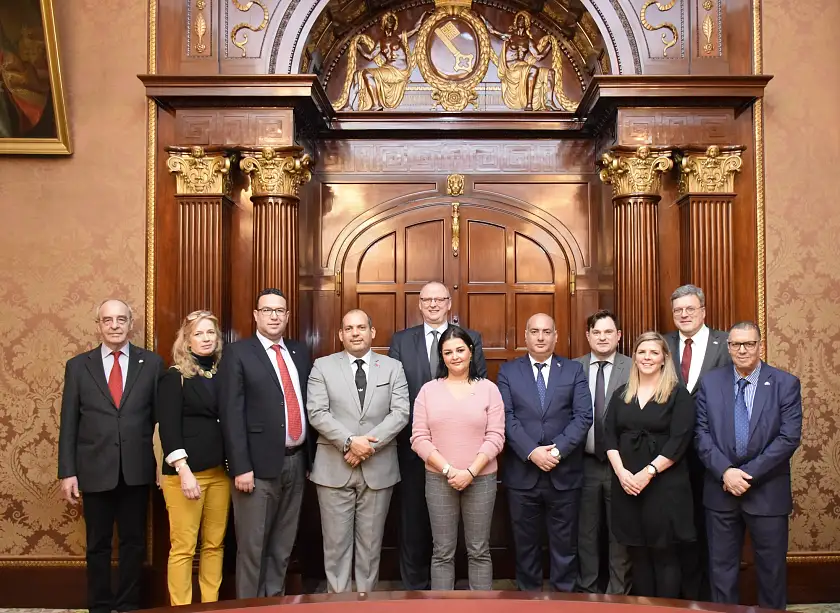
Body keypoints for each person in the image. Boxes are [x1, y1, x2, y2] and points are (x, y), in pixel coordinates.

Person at [57, 299, 164, 613]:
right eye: (108, 320)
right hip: (94, 469)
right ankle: (100, 605)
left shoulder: (152, 363)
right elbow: (69, 423)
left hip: (136, 469)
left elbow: (161, 421)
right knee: (97, 545)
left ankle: (129, 604)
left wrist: (163, 466)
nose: (114, 325)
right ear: (98, 326)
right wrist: (68, 471)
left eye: (121, 319)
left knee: (134, 543)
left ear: (131, 323)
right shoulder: (78, 366)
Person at [695, 322, 802, 610]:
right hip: (720, 492)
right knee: (721, 572)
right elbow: (700, 433)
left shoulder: (785, 384)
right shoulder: (710, 382)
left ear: (760, 346)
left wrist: (746, 475)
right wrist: (725, 472)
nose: (742, 350)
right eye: (736, 344)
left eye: (749, 344)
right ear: (728, 347)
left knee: (772, 572)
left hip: (767, 493)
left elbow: (788, 438)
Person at [388, 281, 487, 590]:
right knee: (413, 520)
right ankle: (415, 589)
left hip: (462, 454)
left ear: (449, 304)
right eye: (427, 299)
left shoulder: (470, 338)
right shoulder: (401, 341)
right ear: (419, 304)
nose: (433, 304)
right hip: (413, 446)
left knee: (458, 531)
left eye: (439, 299)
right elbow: (394, 392)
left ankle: (453, 590)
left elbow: (479, 387)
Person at [218, 288, 312, 597]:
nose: (274, 316)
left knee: (282, 546)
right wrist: (240, 466)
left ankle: (274, 603)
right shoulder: (238, 353)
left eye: (279, 311)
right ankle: (249, 607)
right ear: (256, 315)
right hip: (255, 468)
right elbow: (231, 413)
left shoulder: (298, 352)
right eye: (267, 310)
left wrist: (308, 459)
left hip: (296, 462)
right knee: (253, 547)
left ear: (287, 316)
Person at [307, 309, 409, 592]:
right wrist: (351, 442)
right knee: (335, 546)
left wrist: (366, 446)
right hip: (333, 468)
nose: (355, 333)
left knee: (370, 546)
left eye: (361, 327)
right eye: (349, 328)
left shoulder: (393, 367)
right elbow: (317, 412)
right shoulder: (322, 366)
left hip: (378, 469)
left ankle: (366, 602)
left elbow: (400, 413)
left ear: (372, 332)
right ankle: (338, 603)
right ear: (341, 335)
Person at [498, 313, 592, 592]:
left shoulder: (573, 370)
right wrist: (532, 452)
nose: (540, 337)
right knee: (525, 546)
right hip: (522, 474)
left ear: (556, 336)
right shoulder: (508, 372)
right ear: (525, 336)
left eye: (546, 331)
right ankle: (528, 601)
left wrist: (556, 452)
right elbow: (506, 417)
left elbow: (583, 416)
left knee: (565, 546)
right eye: (535, 331)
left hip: (564, 473)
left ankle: (565, 601)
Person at [411, 326, 504, 590]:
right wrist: (449, 470)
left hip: (481, 479)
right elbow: (419, 438)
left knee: (479, 550)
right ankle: (442, 607)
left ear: (471, 352)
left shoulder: (488, 389)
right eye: (448, 352)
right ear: (442, 357)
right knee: (442, 551)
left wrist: (471, 471)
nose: (455, 357)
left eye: (460, 350)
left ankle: (480, 607)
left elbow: (496, 436)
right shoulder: (428, 391)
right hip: (439, 479)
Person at [604, 332, 695, 598]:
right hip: (628, 486)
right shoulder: (622, 393)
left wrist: (648, 473)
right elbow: (608, 437)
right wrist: (622, 474)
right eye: (642, 352)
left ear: (664, 358)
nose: (647, 357)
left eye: (654, 353)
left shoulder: (678, 394)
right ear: (634, 357)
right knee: (638, 554)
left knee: (664, 555)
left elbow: (679, 441)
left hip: (665, 486)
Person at [158, 310, 230, 605]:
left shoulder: (223, 374)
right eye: (198, 334)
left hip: (220, 473)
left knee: (214, 545)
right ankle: (182, 608)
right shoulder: (175, 376)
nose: (205, 338)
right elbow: (168, 428)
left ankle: (210, 605)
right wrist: (183, 470)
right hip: (186, 475)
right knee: (184, 547)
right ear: (187, 341)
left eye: (210, 332)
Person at [665, 284, 731, 600]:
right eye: (678, 310)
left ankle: (709, 597)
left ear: (703, 311)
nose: (684, 314)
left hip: (715, 452)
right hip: (671, 453)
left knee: (713, 528)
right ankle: (681, 595)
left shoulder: (726, 344)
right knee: (679, 526)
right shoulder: (662, 344)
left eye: (690, 308)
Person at [573, 310, 632, 594]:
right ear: (588, 336)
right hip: (584, 463)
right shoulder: (574, 368)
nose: (602, 337)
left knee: (619, 531)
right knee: (585, 531)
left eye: (608, 332)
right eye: (596, 332)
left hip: (622, 465)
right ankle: (588, 590)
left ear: (618, 336)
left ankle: (618, 593)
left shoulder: (633, 367)